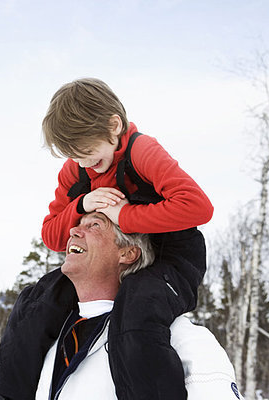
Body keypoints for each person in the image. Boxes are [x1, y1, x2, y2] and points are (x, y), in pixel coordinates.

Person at [39, 78, 214, 398]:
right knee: (37, 301)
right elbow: (51, 235)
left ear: (114, 125)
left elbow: (198, 207)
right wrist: (81, 205)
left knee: (138, 305)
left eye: (88, 152)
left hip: (169, 258)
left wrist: (126, 216)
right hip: (114, 259)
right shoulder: (75, 171)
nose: (83, 163)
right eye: (74, 156)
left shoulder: (142, 151)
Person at [0, 213, 243, 400]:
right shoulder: (45, 332)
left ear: (128, 252)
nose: (74, 230)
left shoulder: (182, 338)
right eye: (78, 224)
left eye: (94, 225)